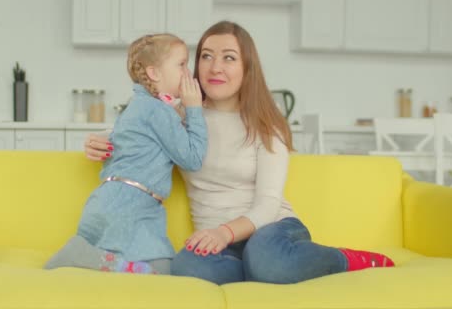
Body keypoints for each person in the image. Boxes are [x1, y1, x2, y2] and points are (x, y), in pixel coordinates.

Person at [84, 21, 394, 284]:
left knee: (265, 255)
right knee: (186, 267)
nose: (215, 67)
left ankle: (343, 260)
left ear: (247, 68)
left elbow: (268, 204)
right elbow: (139, 132)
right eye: (206, 56)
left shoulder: (266, 125)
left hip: (271, 229)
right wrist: (103, 140)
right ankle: (263, 272)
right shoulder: (181, 114)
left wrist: (224, 232)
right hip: (219, 243)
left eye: (229, 58)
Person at [45, 33, 207, 275]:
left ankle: (87, 255)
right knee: (163, 272)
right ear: (154, 73)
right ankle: (85, 256)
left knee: (161, 268)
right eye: (181, 64)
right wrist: (194, 109)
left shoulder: (138, 105)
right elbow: (193, 159)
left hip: (110, 201)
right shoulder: (158, 112)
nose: (188, 72)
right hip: (130, 208)